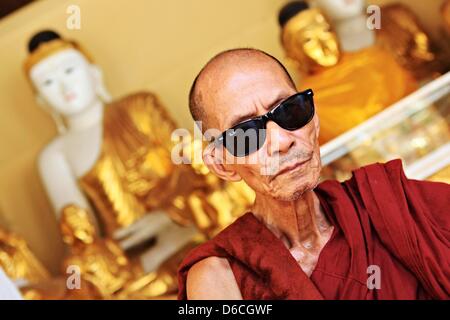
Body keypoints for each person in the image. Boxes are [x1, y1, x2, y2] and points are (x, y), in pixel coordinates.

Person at [177, 48, 450, 300]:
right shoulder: (220, 276)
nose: (283, 142)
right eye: (246, 134)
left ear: (315, 119)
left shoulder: (392, 204)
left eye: (290, 110)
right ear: (222, 164)